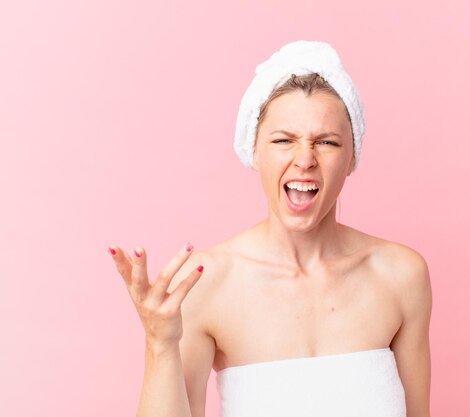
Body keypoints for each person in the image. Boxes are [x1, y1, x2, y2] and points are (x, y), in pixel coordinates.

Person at [109, 40, 432, 417]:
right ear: (255, 151)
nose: (305, 160)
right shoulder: (204, 283)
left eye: (326, 142)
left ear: (351, 158)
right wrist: (159, 344)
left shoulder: (401, 276)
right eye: (283, 141)